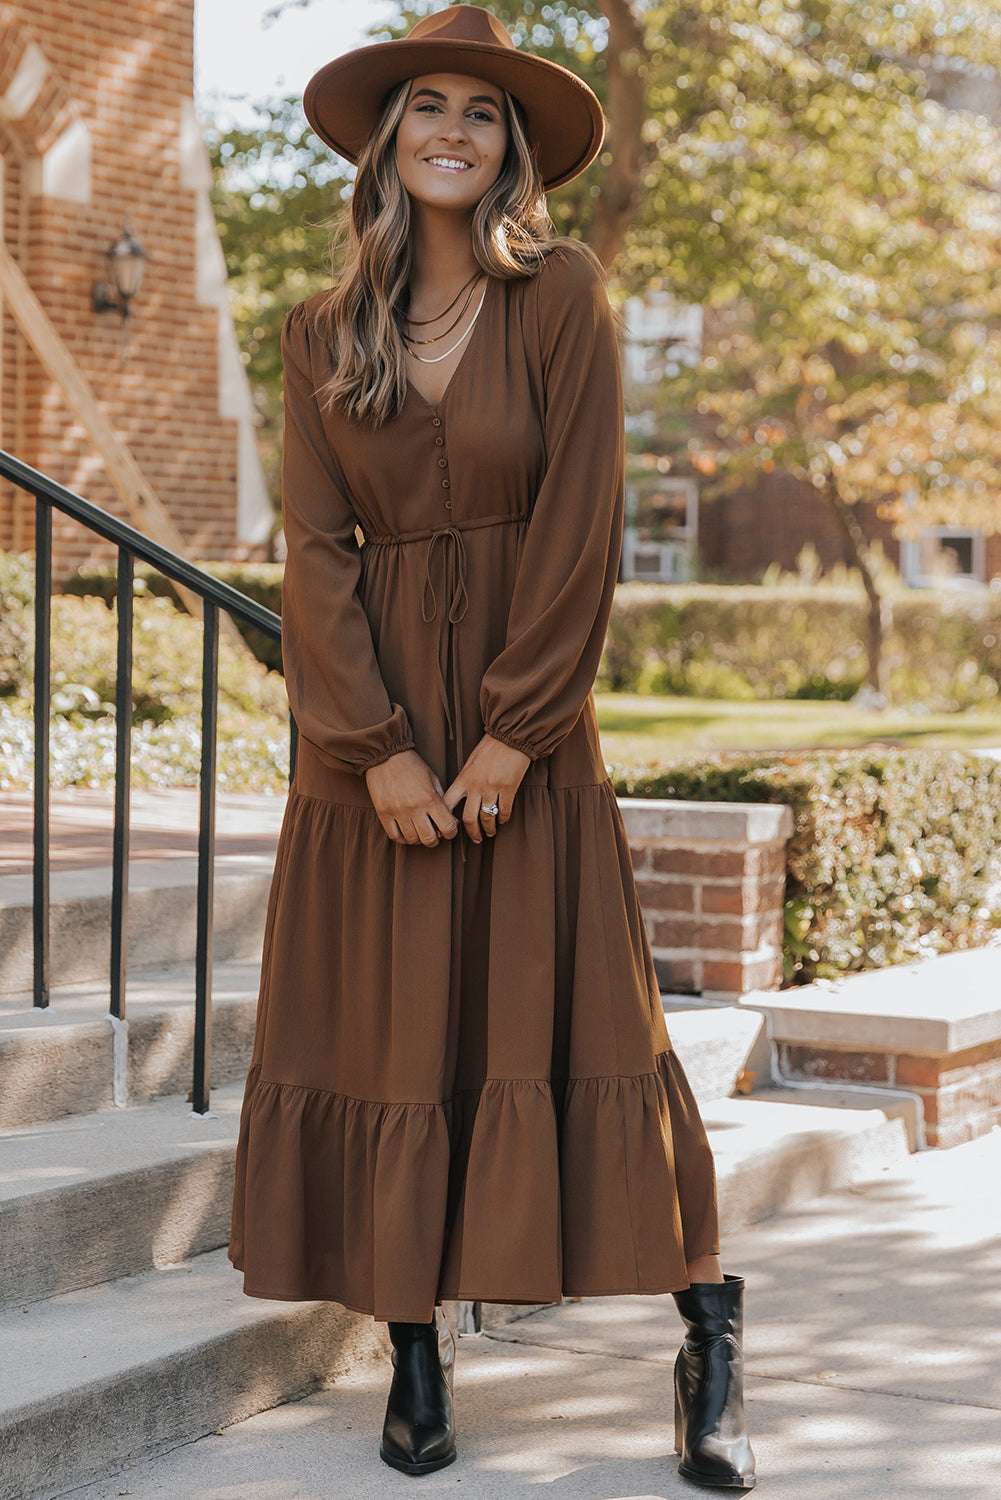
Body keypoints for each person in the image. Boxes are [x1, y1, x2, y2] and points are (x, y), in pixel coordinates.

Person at [228, 5, 755, 1489]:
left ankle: (706, 1323)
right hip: (368, 732)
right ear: (387, 143)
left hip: (528, 730)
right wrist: (376, 748)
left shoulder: (561, 292)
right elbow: (315, 554)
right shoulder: (323, 332)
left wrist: (518, 735)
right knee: (395, 1032)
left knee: (584, 1024)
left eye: (478, 113)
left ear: (508, 149)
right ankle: (410, 1352)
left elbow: (581, 525)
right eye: (424, 109)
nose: (451, 131)